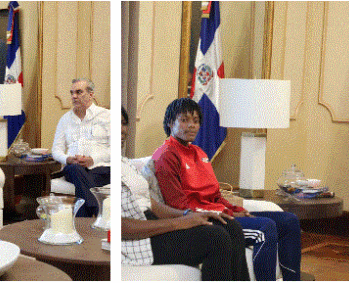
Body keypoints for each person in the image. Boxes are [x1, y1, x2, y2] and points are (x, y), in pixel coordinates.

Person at [153, 97, 302, 281]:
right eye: (184, 120)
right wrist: (224, 213)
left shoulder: (199, 153)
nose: (191, 125)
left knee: (289, 221)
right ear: (170, 123)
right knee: (265, 227)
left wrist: (235, 209)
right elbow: (178, 205)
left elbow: (215, 196)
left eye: (196, 121)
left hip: (222, 213)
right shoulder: (166, 155)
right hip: (206, 219)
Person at [120, 106, 249, 281]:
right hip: (137, 240)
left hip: (153, 222)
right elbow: (121, 226)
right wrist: (180, 222)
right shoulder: (105, 170)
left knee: (231, 226)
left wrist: (188, 215)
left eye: (123, 124)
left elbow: (152, 205)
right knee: (216, 238)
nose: (121, 130)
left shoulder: (125, 164)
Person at [51, 78, 111, 217]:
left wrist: (92, 159)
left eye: (78, 92)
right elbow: (56, 150)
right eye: (72, 93)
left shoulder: (107, 116)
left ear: (91, 94)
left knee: (82, 184)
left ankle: (83, 221)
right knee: (76, 170)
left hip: (101, 169)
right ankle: (98, 212)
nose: (74, 96)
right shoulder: (65, 120)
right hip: (74, 168)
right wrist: (68, 159)